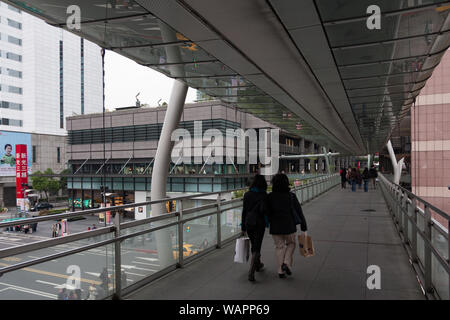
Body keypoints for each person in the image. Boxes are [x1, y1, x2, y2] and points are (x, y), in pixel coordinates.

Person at [262, 174, 307, 279]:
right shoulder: (291, 196)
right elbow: (299, 211)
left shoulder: (270, 197)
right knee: (291, 244)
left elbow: (265, 211)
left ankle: (280, 271)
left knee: (279, 247)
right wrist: (304, 225)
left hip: (275, 226)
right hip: (289, 225)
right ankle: (286, 263)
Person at [241, 174, 268, 282]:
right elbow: (266, 211)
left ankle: (258, 265)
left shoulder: (247, 195)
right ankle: (252, 271)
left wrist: (243, 226)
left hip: (249, 222)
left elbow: (244, 211)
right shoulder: (264, 195)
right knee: (257, 246)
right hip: (259, 223)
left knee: (254, 244)